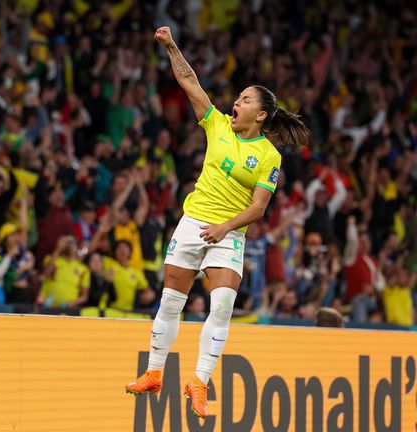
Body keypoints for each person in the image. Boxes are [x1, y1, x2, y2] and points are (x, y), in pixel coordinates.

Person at [125, 26, 310, 420]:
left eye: (244, 100)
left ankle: (199, 381)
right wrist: (171, 46)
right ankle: (154, 373)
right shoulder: (217, 125)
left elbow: (260, 207)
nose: (235, 103)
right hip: (193, 222)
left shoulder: (268, 156)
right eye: (238, 97)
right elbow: (190, 83)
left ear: (260, 114)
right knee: (170, 301)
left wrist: (226, 228)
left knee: (222, 305)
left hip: (229, 234)